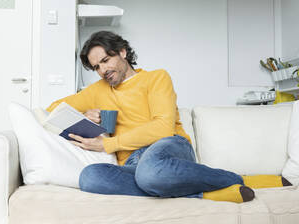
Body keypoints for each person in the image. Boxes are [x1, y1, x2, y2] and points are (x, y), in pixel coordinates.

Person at [47, 31, 291, 203]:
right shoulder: (98, 90)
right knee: (90, 177)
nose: (103, 70)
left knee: (151, 173)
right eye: (96, 67)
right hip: (133, 163)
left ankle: (238, 179)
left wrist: (107, 144)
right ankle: (205, 194)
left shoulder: (156, 78)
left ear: (122, 52)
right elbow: (53, 108)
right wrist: (85, 112)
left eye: (106, 60)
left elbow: (162, 128)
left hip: (169, 147)